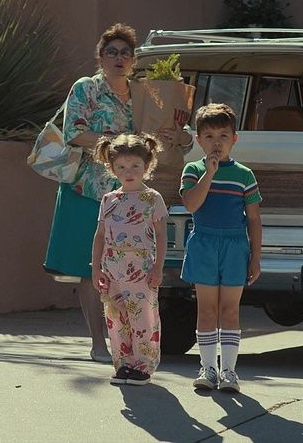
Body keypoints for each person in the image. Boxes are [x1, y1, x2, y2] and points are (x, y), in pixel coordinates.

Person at [43, 23, 191, 363]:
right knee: (90, 267)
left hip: (131, 194)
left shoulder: (146, 93)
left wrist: (178, 134)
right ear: (100, 57)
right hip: (87, 188)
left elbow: (168, 132)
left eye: (125, 52)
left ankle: (129, 343)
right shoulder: (86, 89)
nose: (119, 58)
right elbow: (73, 132)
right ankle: (98, 343)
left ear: (134, 59)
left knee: (129, 268)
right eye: (112, 52)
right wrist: (118, 145)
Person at [179, 103, 263, 393]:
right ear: (199, 140)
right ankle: (208, 369)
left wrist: (255, 257)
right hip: (204, 242)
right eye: (210, 136)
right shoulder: (193, 169)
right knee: (207, 310)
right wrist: (209, 174)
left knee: (229, 310)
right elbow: (191, 204)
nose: (217, 142)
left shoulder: (244, 175)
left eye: (224, 135)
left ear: (234, 138)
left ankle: (229, 371)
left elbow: (254, 218)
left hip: (235, 245)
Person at [90, 133, 168, 385]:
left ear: (147, 165)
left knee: (143, 317)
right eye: (121, 167)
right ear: (112, 168)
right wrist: (96, 269)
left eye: (135, 165)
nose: (129, 171)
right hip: (113, 269)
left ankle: (142, 366)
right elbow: (100, 235)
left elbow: (161, 236)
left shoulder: (152, 199)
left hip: (142, 269)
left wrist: (158, 267)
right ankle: (123, 364)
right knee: (116, 317)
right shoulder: (109, 200)